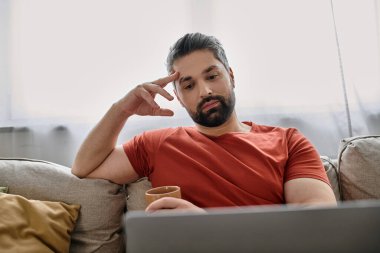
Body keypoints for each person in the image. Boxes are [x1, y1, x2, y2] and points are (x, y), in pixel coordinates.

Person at [71, 33, 336, 213]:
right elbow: (84, 167)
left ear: (231, 76)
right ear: (179, 97)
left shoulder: (288, 142)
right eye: (189, 84)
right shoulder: (156, 145)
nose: (205, 91)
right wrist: (122, 109)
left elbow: (317, 224)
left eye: (212, 76)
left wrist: (203, 224)